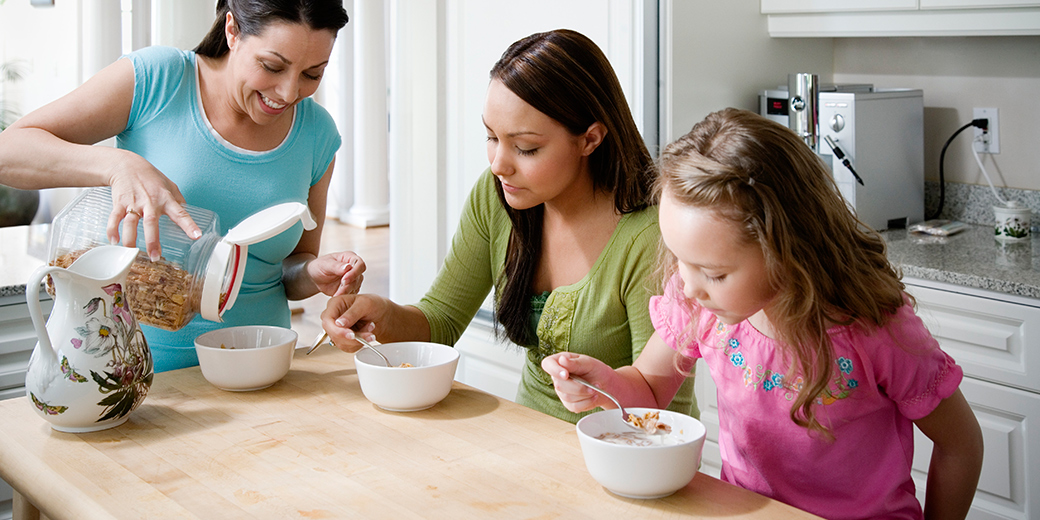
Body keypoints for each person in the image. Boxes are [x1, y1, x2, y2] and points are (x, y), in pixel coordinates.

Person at [542, 108, 984, 519]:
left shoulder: (875, 329)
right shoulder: (702, 307)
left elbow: (960, 445)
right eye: (678, 258)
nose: (690, 287)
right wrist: (603, 384)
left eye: (714, 273)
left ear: (787, 250)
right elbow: (649, 391)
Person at [320, 29, 697, 423]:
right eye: (491, 136)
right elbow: (441, 321)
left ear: (590, 140)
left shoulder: (651, 235)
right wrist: (377, 311)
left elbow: (662, 407)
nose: (499, 164)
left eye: (526, 148)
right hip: (527, 440)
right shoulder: (497, 196)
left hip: (621, 454)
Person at [0, 0, 364, 372]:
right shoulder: (159, 80)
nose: (288, 93)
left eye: (312, 74)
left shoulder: (317, 134)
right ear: (232, 30)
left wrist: (313, 274)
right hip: (123, 368)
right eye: (272, 66)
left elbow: (288, 269)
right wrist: (117, 165)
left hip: (258, 368)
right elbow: (8, 153)